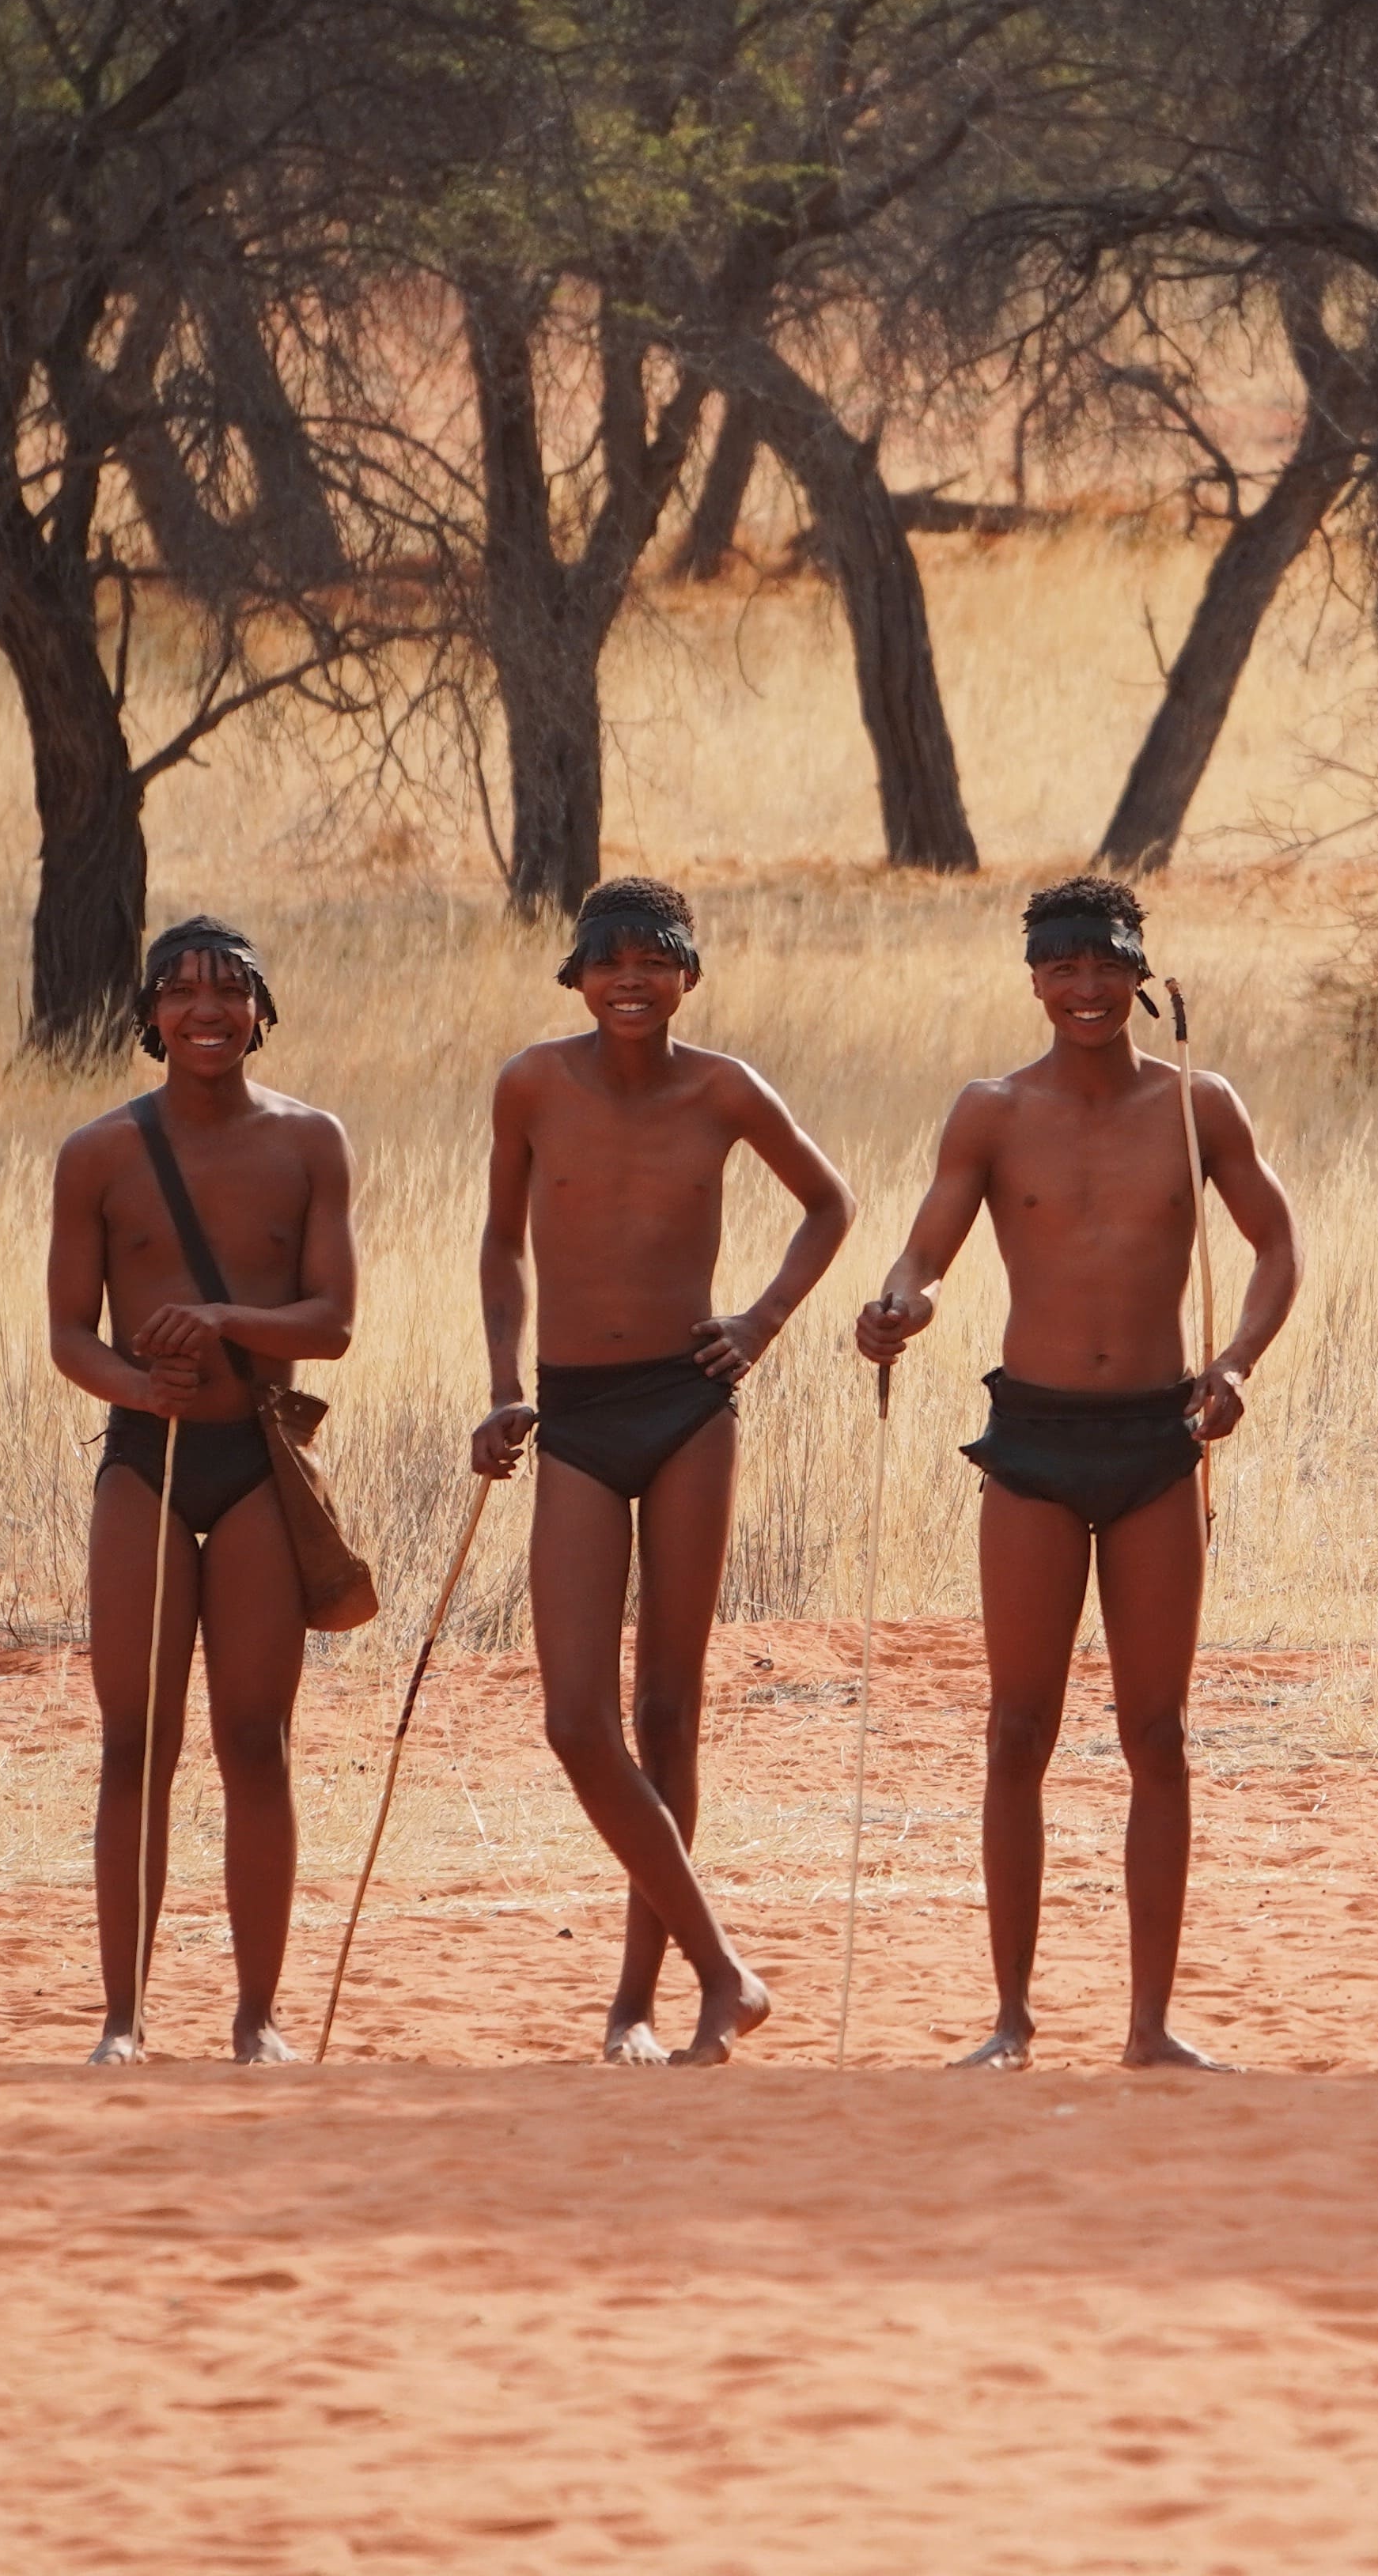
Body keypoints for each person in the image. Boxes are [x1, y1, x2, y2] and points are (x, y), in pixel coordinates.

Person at [854, 877, 1300, 2071]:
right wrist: (902, 1303)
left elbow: (1276, 1244)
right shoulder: (991, 1111)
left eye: (1108, 967)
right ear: (1035, 981)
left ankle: (1151, 2025)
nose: (1088, 990)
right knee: (1017, 1730)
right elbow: (930, 1248)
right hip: (1035, 1444)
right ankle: (1010, 2019)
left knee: (1157, 1734)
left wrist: (1239, 1361)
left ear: (1140, 972)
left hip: (1160, 1441)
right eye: (1063, 969)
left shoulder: (1200, 1107)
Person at [468, 876, 850, 2064]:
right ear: (575, 975)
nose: (630, 980)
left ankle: (647, 2002)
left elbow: (829, 1205)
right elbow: (499, 1238)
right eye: (607, 960)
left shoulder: (725, 1088)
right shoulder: (533, 1082)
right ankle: (724, 1966)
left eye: (655, 960)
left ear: (689, 974)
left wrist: (763, 1322)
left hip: (689, 1408)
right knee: (578, 1719)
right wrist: (500, 1384)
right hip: (575, 1415)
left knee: (668, 1713)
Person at [47, 917, 358, 2065]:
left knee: (256, 1742)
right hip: (146, 1463)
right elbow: (68, 1335)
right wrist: (139, 1382)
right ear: (150, 1019)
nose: (205, 1011)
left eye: (228, 992)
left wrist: (226, 1321)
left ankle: (257, 2016)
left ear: (262, 1012)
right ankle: (123, 2019)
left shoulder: (312, 1142)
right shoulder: (97, 1155)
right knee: (135, 1739)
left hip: (257, 1471)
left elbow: (331, 1323)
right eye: (180, 993)